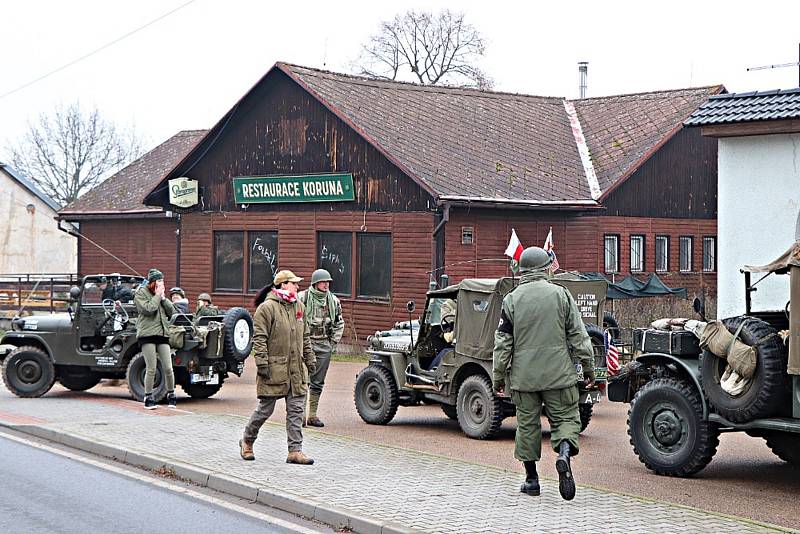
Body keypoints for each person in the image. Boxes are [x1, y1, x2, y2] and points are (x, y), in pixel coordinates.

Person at [492, 246, 594, 501]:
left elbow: (502, 343)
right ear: (544, 268)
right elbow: (579, 335)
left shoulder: (511, 300)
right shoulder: (561, 295)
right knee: (566, 420)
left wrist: (498, 376)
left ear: (524, 270)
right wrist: (589, 367)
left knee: (527, 427)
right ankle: (563, 455)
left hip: (524, 378)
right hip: (559, 374)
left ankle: (531, 480)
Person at [239, 270, 316, 465]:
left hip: (296, 370)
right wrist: (262, 363)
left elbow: (304, 336)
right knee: (265, 410)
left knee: (296, 411)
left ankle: (295, 451)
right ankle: (247, 441)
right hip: (274, 369)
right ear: (283, 285)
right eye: (294, 283)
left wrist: (310, 358)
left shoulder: (299, 306)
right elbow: (259, 339)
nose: (298, 287)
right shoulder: (266, 308)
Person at [298, 269, 344, 427]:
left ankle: (312, 415)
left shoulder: (333, 301)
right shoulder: (302, 298)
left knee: (318, 382)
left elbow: (339, 323)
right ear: (315, 283)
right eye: (323, 281)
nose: (326, 284)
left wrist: (332, 343)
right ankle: (301, 415)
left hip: (324, 342)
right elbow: (295, 319)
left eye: (328, 282)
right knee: (303, 380)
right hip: (306, 342)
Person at [134, 268, 177, 410]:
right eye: (159, 281)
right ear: (153, 282)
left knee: (168, 368)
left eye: (163, 281)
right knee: (151, 368)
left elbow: (172, 312)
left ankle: (171, 394)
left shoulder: (160, 295)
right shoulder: (141, 293)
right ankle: (148, 396)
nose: (162, 284)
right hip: (147, 335)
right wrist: (157, 296)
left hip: (162, 334)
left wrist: (164, 299)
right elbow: (148, 309)